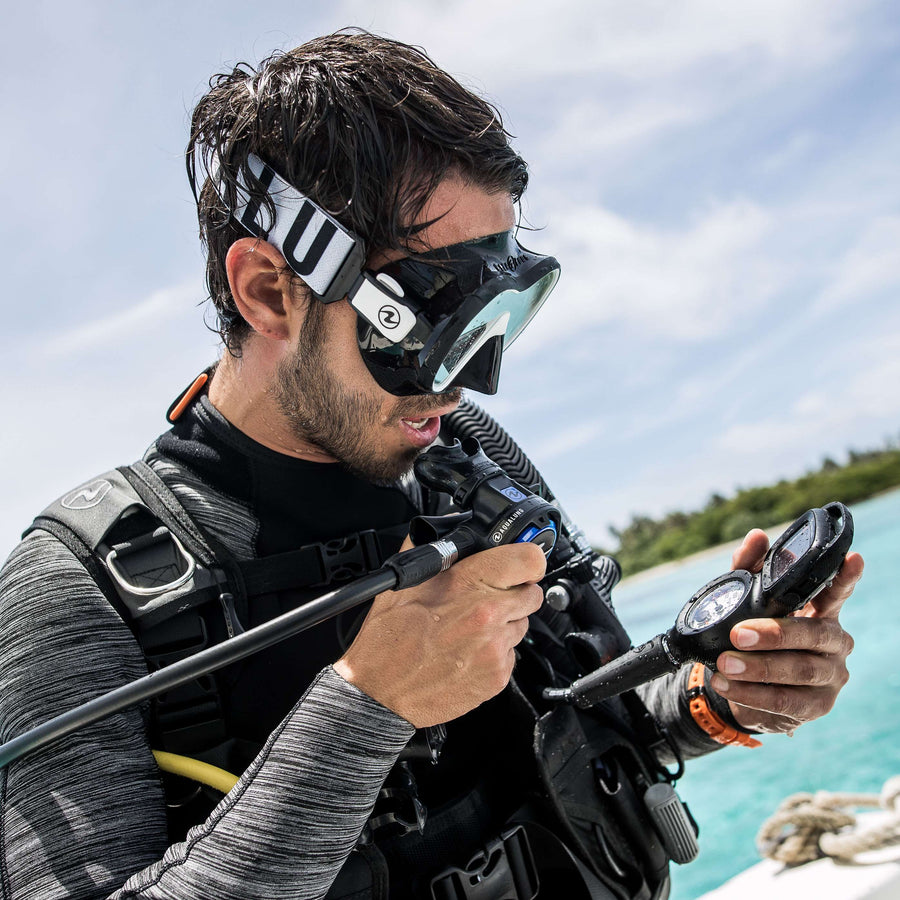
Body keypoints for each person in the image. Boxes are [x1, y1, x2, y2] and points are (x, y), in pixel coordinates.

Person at [0, 31, 861, 900]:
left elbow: (594, 728)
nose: (465, 384)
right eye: (433, 324)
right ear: (268, 290)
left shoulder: (472, 460)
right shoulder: (79, 591)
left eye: (496, 318)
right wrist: (366, 706)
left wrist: (723, 696)